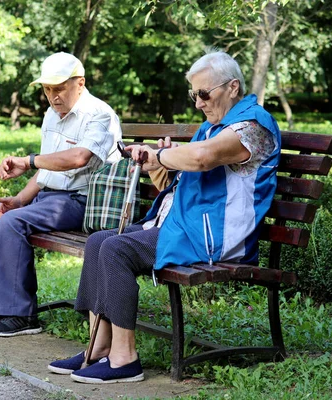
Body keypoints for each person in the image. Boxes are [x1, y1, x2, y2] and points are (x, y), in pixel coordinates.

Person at [47, 49, 281, 383]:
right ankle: (97, 349)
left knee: (117, 249)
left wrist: (163, 154)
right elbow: (179, 184)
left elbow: (202, 159)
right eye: (193, 95)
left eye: (203, 94)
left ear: (232, 87)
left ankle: (124, 359)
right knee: (100, 240)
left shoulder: (252, 126)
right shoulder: (213, 126)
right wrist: (159, 166)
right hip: (185, 227)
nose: (198, 103)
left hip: (216, 238)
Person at [0, 52, 122, 337]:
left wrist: (28, 161)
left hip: (82, 202)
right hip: (50, 199)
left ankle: (20, 315)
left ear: (80, 83)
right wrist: (18, 200)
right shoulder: (52, 115)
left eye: (59, 88)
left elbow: (78, 158)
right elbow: (46, 169)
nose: (53, 97)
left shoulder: (99, 114)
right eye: (47, 90)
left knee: (13, 223)